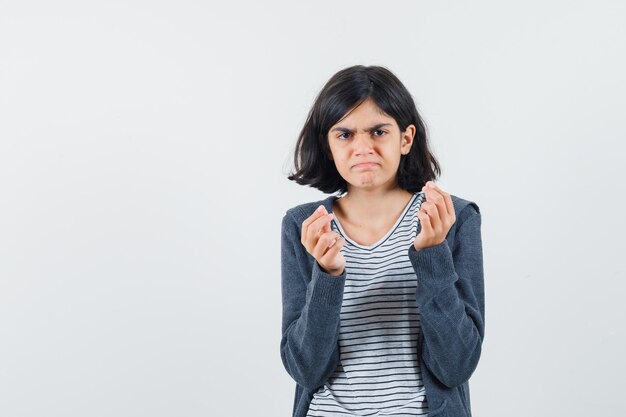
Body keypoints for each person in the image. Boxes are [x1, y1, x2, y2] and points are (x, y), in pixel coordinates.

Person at [280, 65, 485, 417]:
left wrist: (432, 254)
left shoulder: (451, 219)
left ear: (405, 138)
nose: (363, 148)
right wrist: (327, 275)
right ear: (327, 145)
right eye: (344, 134)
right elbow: (305, 369)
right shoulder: (305, 226)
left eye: (378, 131)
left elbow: (456, 365)